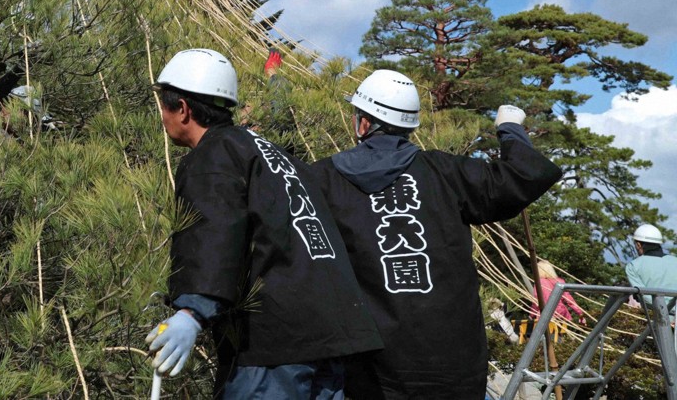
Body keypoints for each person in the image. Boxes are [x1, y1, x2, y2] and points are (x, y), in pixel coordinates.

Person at [308, 69, 562, 399]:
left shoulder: (322, 179)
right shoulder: (447, 172)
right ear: (410, 126)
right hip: (454, 368)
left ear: (364, 123)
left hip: (372, 369)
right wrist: (510, 129)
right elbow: (527, 173)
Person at [145, 48, 383, 399]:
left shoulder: (214, 155)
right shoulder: (279, 157)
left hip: (273, 347)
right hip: (332, 338)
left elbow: (214, 231)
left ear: (182, 109)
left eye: (163, 106)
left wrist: (192, 312)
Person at [625, 223, 677, 316]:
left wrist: (665, 310)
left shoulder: (633, 266)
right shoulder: (675, 261)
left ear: (638, 245)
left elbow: (645, 297)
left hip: (653, 320)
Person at [530, 259, 586, 325]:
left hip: (545, 315)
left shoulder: (539, 282)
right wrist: (580, 313)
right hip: (561, 314)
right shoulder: (560, 281)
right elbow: (569, 299)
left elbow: (536, 301)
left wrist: (531, 315)